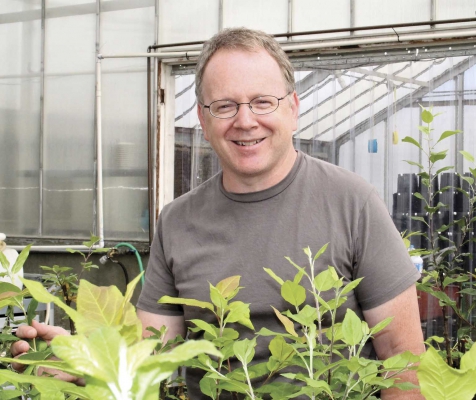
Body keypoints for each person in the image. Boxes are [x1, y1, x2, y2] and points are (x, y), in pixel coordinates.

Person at [13, 27, 425, 399]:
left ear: (293, 108)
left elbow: (403, 360)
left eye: (263, 102)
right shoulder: (177, 221)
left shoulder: (353, 203)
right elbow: (148, 354)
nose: (245, 121)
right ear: (203, 120)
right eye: (224, 106)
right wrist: (82, 358)